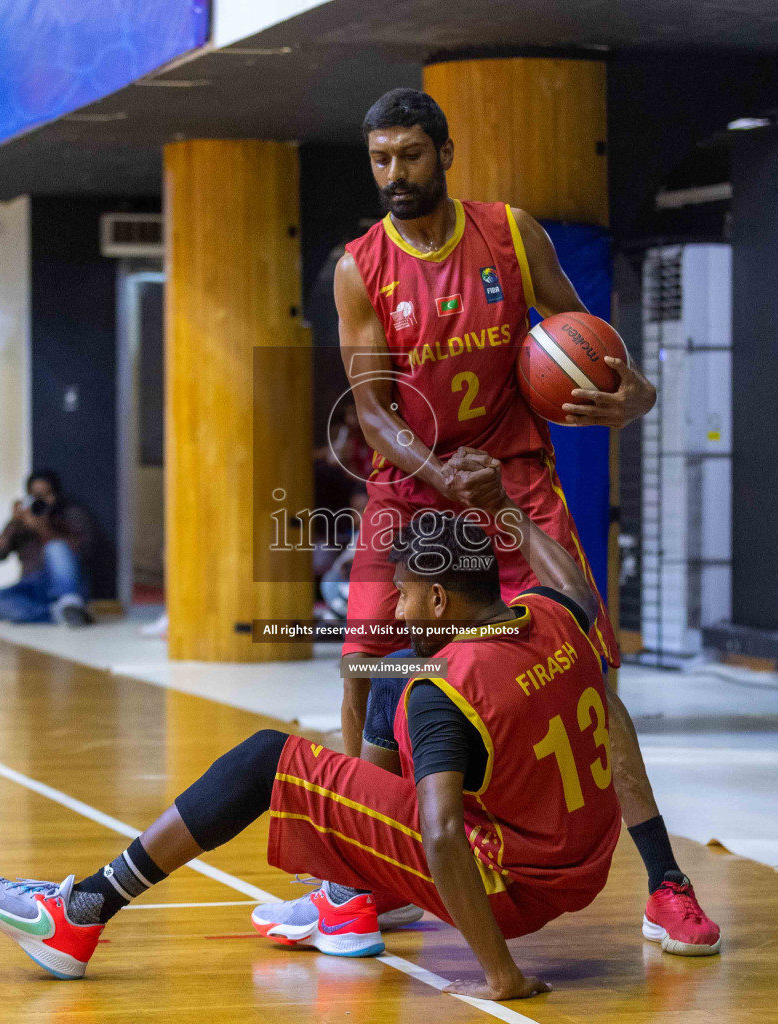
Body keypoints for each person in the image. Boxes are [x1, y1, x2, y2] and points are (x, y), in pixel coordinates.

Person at [288, 86, 720, 955]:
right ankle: (363, 880)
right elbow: (372, 413)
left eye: (410, 155)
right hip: (412, 490)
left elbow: (581, 335)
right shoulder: (358, 266)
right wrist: (438, 472)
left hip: (515, 484)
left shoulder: (511, 234)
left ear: (444, 154)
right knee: (367, 682)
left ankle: (666, 883)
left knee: (588, 673)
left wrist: (633, 390)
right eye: (380, 159)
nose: (395, 174)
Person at [0, 496, 621, 1000]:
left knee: (269, 756)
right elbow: (572, 583)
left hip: (507, 885)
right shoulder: (553, 615)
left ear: (441, 598)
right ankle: (347, 894)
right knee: (384, 682)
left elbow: (443, 832)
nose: (395, 605)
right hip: (581, 864)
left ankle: (83, 912)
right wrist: (506, 507)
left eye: (407, 594)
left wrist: (503, 974)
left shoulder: (446, 690)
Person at [0, 469, 93, 627]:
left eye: (45, 495)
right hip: (31, 587)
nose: (40, 501)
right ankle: (60, 614)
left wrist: (41, 527)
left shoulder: (70, 515)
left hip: (64, 586)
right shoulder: (21, 520)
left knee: (56, 548)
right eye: (35, 496)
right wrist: (13, 522)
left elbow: (83, 551)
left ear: (55, 495)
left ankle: (68, 604)